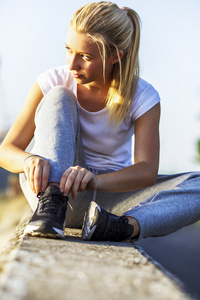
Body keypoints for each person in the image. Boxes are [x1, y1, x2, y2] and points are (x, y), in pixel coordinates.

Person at [0, 1, 199, 242]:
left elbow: (146, 171)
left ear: (115, 56)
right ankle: (51, 211)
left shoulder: (144, 97)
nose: (72, 64)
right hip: (54, 191)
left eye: (84, 56)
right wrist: (29, 159)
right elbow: (6, 151)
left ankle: (120, 227)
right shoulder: (52, 80)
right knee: (60, 95)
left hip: (108, 200)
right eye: (68, 50)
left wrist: (95, 180)